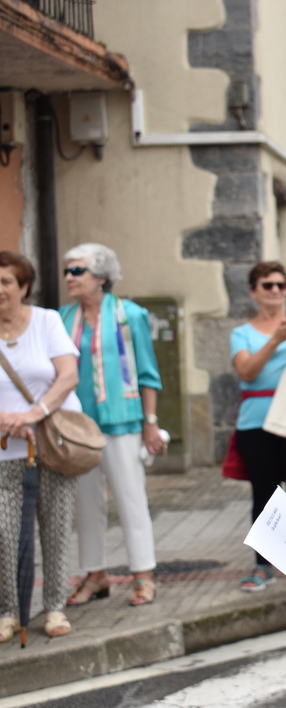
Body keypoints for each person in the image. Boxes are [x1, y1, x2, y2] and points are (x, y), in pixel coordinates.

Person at [61, 244, 164, 608]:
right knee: (85, 503)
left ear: (101, 277)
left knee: (130, 497)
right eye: (67, 271)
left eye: (78, 271)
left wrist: (150, 423)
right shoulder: (62, 318)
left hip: (123, 420)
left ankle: (143, 574)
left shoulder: (130, 315)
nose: (69, 277)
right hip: (77, 425)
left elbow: (148, 372)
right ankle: (95, 574)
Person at [0, 253, 81, 639]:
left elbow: (68, 376)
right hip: (5, 446)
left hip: (51, 443)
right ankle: (8, 613)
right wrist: (6, 420)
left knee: (56, 526)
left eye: (6, 282)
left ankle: (55, 609)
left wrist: (33, 414)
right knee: (4, 533)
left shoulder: (47, 322)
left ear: (24, 287)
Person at [231, 261, 286, 592]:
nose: (275, 291)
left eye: (281, 285)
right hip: (256, 422)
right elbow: (246, 371)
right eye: (267, 285)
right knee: (265, 495)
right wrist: (275, 340)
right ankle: (263, 565)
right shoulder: (242, 333)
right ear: (254, 291)